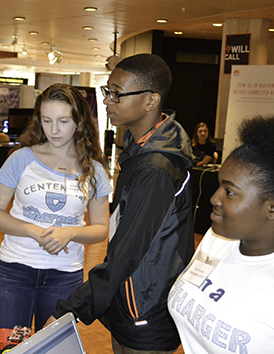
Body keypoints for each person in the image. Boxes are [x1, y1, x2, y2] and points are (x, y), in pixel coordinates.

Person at [47, 54, 195, 353]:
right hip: (131, 295)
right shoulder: (142, 148)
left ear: (151, 101)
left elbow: (128, 251)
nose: (107, 101)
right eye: (107, 91)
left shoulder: (156, 166)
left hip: (146, 304)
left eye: (117, 94)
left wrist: (70, 310)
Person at [0, 83, 112, 332]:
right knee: (10, 347)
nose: (54, 130)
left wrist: (71, 233)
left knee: (51, 347)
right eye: (46, 120)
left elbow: (100, 229)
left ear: (79, 121)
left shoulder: (95, 170)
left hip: (64, 274)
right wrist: (31, 229)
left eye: (63, 121)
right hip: (15, 269)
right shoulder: (21, 159)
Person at [168, 116, 274, 353]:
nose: (214, 198)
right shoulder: (216, 240)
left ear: (272, 209)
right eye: (218, 186)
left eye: (230, 191)